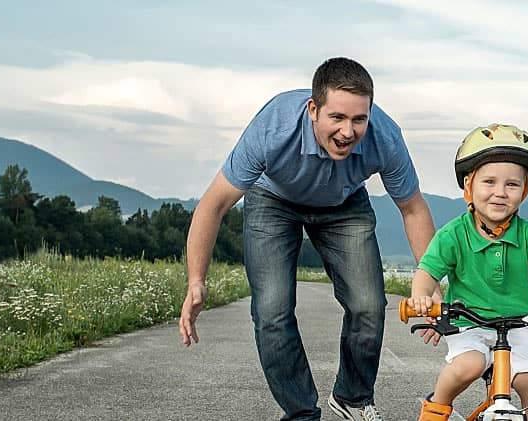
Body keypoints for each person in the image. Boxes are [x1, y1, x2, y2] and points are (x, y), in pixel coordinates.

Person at [178, 57, 435, 421]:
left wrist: (429, 278)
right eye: (337, 118)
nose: (348, 132)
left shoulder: (385, 137)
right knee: (272, 310)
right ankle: (301, 414)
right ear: (313, 109)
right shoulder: (273, 129)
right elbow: (213, 205)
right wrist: (196, 281)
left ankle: (352, 397)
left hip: (344, 202)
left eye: (359, 119)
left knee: (368, 303)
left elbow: (413, 209)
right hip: (273, 200)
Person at [405, 123, 528, 421]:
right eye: (489, 182)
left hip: (520, 324)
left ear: (524, 191)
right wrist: (420, 297)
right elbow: (428, 272)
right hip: (469, 323)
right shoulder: (454, 234)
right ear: (469, 186)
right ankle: (436, 408)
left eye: (512, 185)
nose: (500, 193)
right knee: (469, 366)